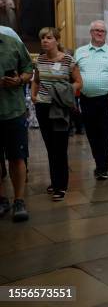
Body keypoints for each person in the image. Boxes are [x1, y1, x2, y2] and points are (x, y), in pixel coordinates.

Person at [31, 27, 82, 201]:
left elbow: (78, 83)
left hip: (60, 108)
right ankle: (55, 181)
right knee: (50, 147)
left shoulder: (68, 60)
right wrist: (34, 96)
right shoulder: (40, 60)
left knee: (60, 147)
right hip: (43, 107)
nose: (45, 41)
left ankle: (61, 186)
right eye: (42, 38)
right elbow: (36, 81)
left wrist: (65, 90)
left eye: (49, 38)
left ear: (57, 41)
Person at [75, 20, 108, 180]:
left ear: (105, 34)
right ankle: (99, 162)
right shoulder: (79, 52)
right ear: (91, 32)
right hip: (86, 99)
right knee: (91, 134)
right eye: (96, 30)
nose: (99, 33)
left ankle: (103, 166)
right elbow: (73, 77)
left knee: (105, 133)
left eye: (102, 31)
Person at [0, 32, 33, 221]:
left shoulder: (12, 43)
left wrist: (19, 80)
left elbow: (28, 69)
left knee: (17, 157)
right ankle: (1, 198)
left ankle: (19, 200)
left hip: (13, 110)